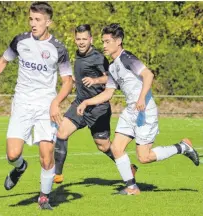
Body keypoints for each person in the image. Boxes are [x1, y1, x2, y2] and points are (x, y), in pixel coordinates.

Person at [77, 23, 200, 195]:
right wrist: (87, 102)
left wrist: (142, 98)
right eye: (103, 42)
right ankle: (132, 187)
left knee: (144, 157)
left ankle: (182, 147)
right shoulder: (112, 67)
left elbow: (148, 75)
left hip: (145, 111)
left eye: (107, 41)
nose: (103, 46)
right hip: (130, 111)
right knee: (116, 148)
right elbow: (108, 93)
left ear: (118, 41)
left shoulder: (127, 57)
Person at [0, 2, 73, 210]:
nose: (33, 23)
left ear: (49, 22)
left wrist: (55, 103)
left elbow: (68, 82)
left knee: (47, 156)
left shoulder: (58, 48)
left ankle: (44, 197)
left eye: (38, 20)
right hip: (22, 103)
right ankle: (19, 167)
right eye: (31, 19)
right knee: (12, 154)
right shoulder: (20, 41)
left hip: (46, 106)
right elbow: (2, 62)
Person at [54, 24, 137, 184]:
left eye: (85, 39)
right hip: (80, 104)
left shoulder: (98, 57)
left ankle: (129, 168)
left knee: (103, 145)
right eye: (78, 39)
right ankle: (57, 174)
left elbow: (111, 77)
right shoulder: (77, 55)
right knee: (61, 133)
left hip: (98, 108)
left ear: (91, 39)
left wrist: (95, 80)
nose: (81, 42)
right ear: (75, 39)